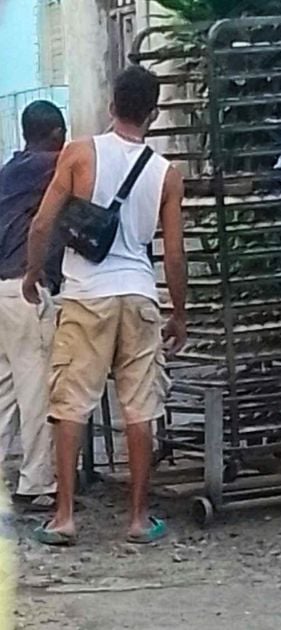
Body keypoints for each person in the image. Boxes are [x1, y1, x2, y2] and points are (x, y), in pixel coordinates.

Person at [22, 66, 188, 545]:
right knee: (140, 408)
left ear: (111, 105)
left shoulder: (78, 154)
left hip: (85, 295)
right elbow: (174, 253)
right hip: (138, 293)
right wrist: (178, 311)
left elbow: (41, 225)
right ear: (154, 114)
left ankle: (66, 516)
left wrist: (34, 275)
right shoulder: (166, 174)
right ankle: (138, 519)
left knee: (70, 404)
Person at [0, 101, 67, 512]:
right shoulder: (52, 166)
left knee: (5, 391)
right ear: (57, 133)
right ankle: (36, 483)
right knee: (38, 391)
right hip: (28, 290)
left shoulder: (10, 171)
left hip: (1, 290)